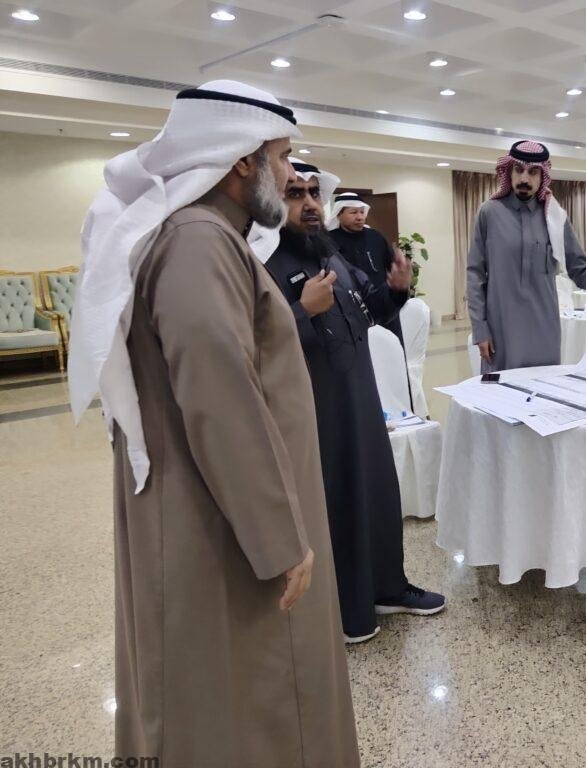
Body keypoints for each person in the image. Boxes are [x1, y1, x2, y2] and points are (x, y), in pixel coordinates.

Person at [67, 82, 359, 766]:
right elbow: (218, 393)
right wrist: (279, 538)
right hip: (215, 520)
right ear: (241, 160)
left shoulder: (205, 236)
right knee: (243, 696)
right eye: (281, 158)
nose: (290, 175)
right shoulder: (198, 241)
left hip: (218, 507)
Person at [259, 159, 445, 644]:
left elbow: (370, 312)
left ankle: (388, 588)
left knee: (378, 497)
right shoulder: (262, 266)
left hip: (362, 404)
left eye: (313, 194)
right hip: (317, 415)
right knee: (338, 507)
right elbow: (251, 346)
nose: (309, 204)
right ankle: (348, 610)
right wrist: (302, 311)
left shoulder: (331, 257)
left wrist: (397, 290)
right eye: (295, 194)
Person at [466, 140, 586, 372]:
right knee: (500, 390)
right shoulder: (489, 213)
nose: (524, 178)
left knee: (541, 389)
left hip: (543, 331)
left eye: (533, 172)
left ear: (542, 176)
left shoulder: (554, 217)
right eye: (519, 170)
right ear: (509, 171)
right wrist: (480, 329)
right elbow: (475, 275)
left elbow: (579, 269)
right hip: (501, 328)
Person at [328, 191, 406, 345]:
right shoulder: (329, 240)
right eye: (353, 212)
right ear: (339, 214)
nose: (360, 217)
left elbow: (391, 266)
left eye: (362, 212)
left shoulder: (376, 237)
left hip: (384, 306)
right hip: (351, 311)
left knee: (392, 349)